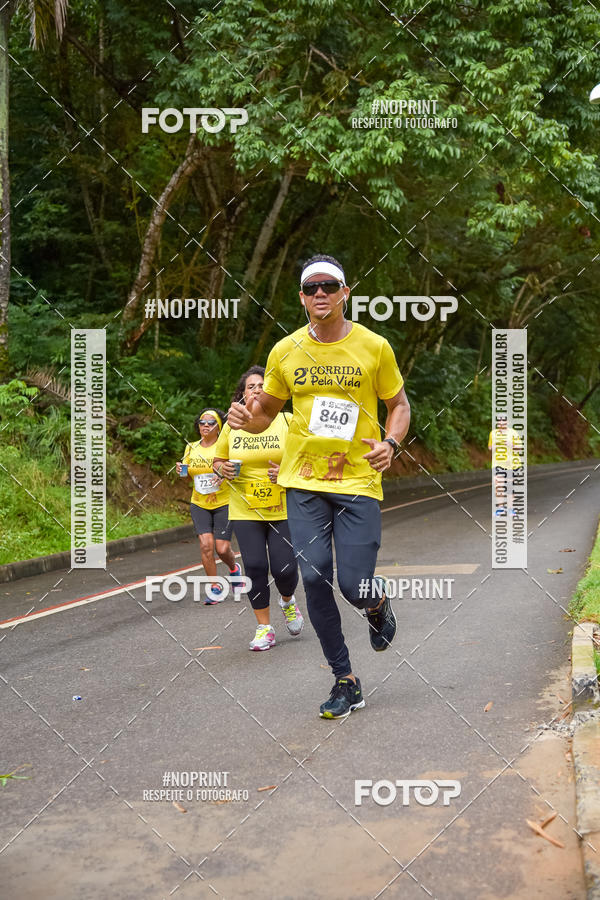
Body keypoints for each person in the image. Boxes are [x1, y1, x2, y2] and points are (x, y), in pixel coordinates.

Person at [227, 254, 411, 718]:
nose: (321, 294)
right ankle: (344, 680)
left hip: (357, 481)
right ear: (302, 298)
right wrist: (247, 421)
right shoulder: (285, 351)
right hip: (303, 481)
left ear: (345, 293)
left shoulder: (374, 347)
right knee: (312, 577)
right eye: (312, 288)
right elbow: (266, 412)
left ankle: (376, 604)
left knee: (354, 584)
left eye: (330, 285)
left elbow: (400, 405)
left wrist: (391, 442)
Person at [213, 366, 303, 650]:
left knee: (285, 568)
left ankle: (287, 600)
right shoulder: (231, 425)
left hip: (282, 506)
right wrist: (223, 468)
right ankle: (264, 627)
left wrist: (287, 472)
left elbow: (305, 459)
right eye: (251, 386)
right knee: (254, 566)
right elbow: (217, 461)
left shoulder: (287, 421)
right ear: (242, 394)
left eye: (263, 385)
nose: (256, 390)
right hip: (244, 506)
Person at [176, 408, 242, 604]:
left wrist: (224, 475)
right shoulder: (192, 447)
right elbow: (186, 475)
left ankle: (233, 569)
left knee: (222, 549)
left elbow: (236, 470)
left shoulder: (225, 446)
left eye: (211, 422)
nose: (205, 425)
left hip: (224, 503)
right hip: (199, 503)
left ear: (219, 427)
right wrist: (181, 470)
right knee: (206, 546)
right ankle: (215, 587)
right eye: (202, 422)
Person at [488, 416, 524, 517]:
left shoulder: (513, 433)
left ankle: (510, 509)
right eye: (499, 420)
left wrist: (511, 445)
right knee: (498, 486)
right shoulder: (493, 433)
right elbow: (490, 447)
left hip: (511, 464)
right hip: (497, 464)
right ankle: (500, 508)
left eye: (504, 420)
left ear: (507, 422)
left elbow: (520, 448)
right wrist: (493, 447)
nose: (501, 422)